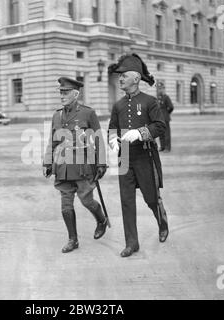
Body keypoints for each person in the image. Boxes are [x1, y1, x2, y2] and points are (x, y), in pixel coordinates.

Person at [108, 53, 169, 257]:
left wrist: (141, 133)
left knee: (151, 198)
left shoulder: (150, 102)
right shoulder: (117, 106)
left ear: (136, 78)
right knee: (126, 200)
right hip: (124, 157)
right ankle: (131, 243)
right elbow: (112, 129)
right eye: (120, 76)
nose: (120, 79)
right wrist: (112, 141)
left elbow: (160, 126)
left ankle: (162, 222)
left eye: (124, 75)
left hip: (145, 155)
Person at [43, 77, 108, 253]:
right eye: (61, 93)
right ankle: (73, 239)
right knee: (66, 205)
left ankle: (101, 219)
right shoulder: (56, 115)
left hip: (82, 166)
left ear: (75, 94)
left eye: (65, 93)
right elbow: (53, 140)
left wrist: (101, 163)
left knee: (87, 201)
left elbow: (99, 139)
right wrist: (48, 161)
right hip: (62, 167)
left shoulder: (87, 113)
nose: (62, 96)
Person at [156, 82, 174, 152]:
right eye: (158, 89)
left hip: (165, 118)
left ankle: (167, 148)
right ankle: (162, 146)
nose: (159, 90)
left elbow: (171, 107)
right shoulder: (157, 98)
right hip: (159, 118)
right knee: (161, 133)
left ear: (164, 89)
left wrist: (167, 113)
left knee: (166, 133)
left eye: (161, 88)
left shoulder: (166, 97)